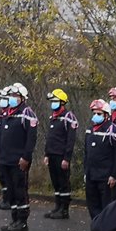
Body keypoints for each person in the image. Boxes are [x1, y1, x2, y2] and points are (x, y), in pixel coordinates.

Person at [0, 83, 38, 231]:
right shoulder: (7, 112)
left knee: (20, 190)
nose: (13, 99)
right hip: (5, 158)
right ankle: (14, 219)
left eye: (16, 96)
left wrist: (25, 157)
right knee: (11, 191)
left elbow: (31, 138)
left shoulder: (27, 113)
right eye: (11, 96)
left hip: (19, 160)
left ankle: (22, 220)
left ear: (22, 98)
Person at [82, 98, 116, 231]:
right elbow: (87, 153)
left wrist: (114, 175)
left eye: (99, 113)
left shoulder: (113, 130)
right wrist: (85, 172)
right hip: (91, 174)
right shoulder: (90, 129)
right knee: (92, 204)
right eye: (94, 113)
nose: (95, 116)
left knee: (106, 205)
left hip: (105, 176)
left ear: (106, 115)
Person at [43, 88, 78, 219]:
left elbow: (70, 140)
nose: (52, 103)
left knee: (63, 182)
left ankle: (64, 209)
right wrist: (46, 154)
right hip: (52, 154)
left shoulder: (68, 117)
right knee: (56, 182)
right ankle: (57, 207)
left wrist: (66, 158)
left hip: (61, 156)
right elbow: (50, 137)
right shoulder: (53, 116)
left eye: (55, 101)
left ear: (62, 102)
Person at [0, 87, 11, 210]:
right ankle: (5, 198)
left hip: (9, 150)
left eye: (5, 99)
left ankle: (10, 199)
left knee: (9, 176)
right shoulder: (0, 114)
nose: (2, 101)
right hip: (1, 149)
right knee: (2, 175)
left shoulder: (10, 115)